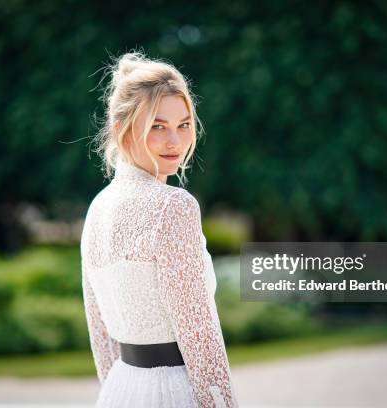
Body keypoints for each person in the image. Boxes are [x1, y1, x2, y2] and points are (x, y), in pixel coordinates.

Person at [80, 50, 239, 407]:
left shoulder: (97, 207)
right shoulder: (174, 205)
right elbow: (199, 332)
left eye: (183, 125)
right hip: (176, 391)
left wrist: (115, 391)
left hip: (119, 390)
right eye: (157, 126)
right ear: (123, 129)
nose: (175, 142)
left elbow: (101, 337)